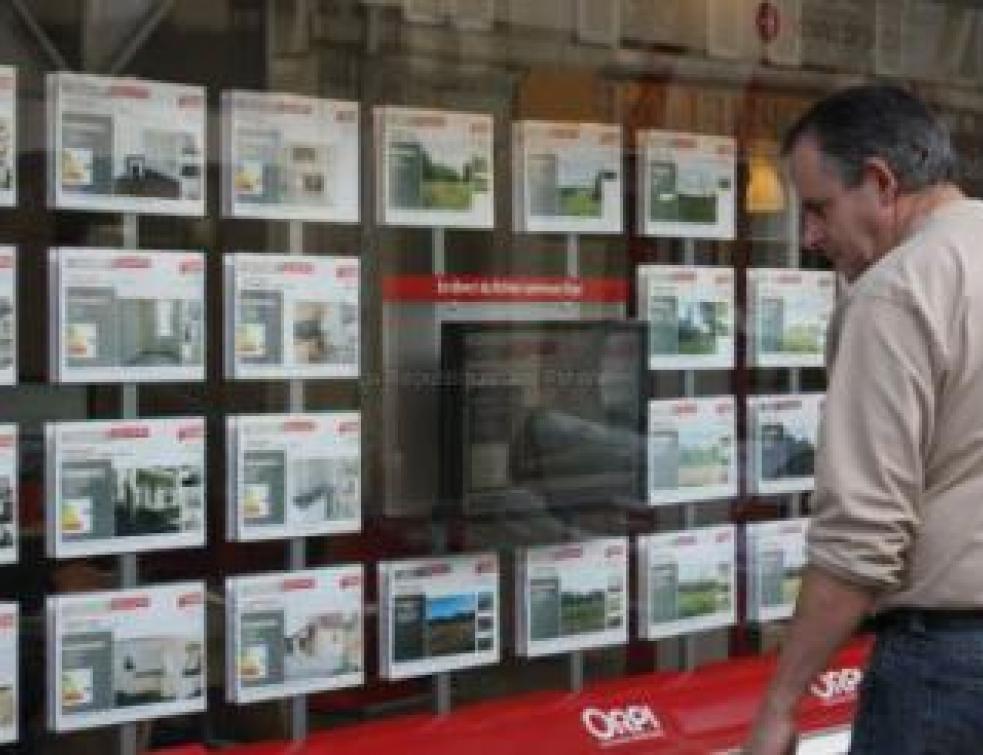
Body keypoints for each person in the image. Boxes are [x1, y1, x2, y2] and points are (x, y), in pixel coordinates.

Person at [745, 84, 983, 754]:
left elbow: (862, 532)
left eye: (818, 207)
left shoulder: (895, 291)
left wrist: (779, 704)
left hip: (948, 671)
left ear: (880, 182)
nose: (809, 235)